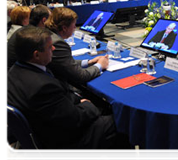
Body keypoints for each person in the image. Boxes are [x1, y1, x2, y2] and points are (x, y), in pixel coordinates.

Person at [5, 27, 120, 160]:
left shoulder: (14, 71)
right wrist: (87, 105)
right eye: (49, 47)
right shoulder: (42, 87)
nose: (54, 49)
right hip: (64, 146)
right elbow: (75, 120)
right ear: (36, 54)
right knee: (120, 120)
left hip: (45, 131)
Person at [44, 8, 109, 86]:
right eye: (74, 25)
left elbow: (66, 63)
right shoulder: (58, 43)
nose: (75, 28)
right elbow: (81, 76)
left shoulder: (48, 34)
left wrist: (89, 62)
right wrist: (99, 66)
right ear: (64, 28)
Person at [6, 5, 51, 73]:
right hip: (15, 74)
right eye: (50, 19)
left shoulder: (26, 30)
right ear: (44, 20)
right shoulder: (32, 35)